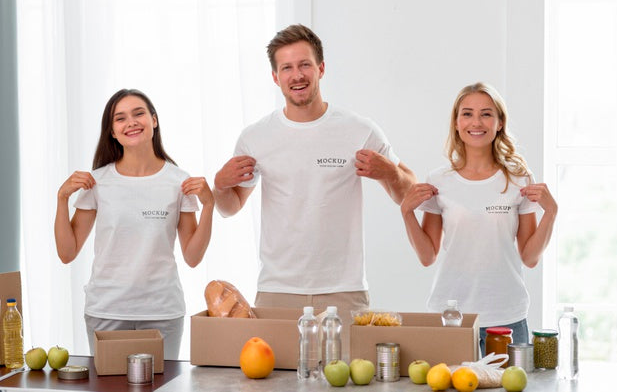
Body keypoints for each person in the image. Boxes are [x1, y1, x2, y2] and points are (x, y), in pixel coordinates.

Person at [213, 24, 416, 332]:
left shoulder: (359, 130)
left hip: (344, 291)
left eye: (305, 65)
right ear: (275, 77)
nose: (297, 75)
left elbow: (409, 193)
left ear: (321, 69)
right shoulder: (255, 137)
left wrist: (389, 172)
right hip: (277, 290)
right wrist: (220, 184)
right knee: (272, 378)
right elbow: (230, 207)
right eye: (287, 68)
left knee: (346, 379)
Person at [54, 88, 214, 359]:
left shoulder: (179, 181)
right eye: (120, 118)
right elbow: (67, 253)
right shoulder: (98, 182)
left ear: (154, 120)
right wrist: (61, 199)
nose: (131, 122)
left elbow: (193, 257)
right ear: (113, 132)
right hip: (106, 311)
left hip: (162, 312)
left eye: (138, 113)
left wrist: (209, 205)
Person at [400, 82, 558, 355]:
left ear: (499, 123)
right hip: (451, 318)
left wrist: (551, 213)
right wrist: (406, 213)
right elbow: (427, 256)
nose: (477, 121)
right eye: (468, 113)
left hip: (506, 317)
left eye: (486, 113)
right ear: (457, 123)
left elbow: (530, 257)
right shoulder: (439, 181)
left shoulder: (518, 179)